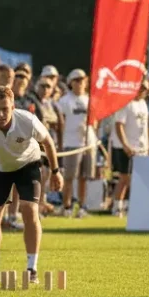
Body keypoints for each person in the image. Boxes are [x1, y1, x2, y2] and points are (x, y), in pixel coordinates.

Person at [0, 86, 63, 284]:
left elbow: (48, 143)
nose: (0, 114)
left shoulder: (27, 120)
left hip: (28, 164)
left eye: (5, 109)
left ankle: (32, 268)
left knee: (29, 210)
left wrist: (55, 171)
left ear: (13, 106)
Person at [55, 69, 95, 218]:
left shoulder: (90, 99)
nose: (80, 83)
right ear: (71, 82)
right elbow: (60, 122)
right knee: (69, 177)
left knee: (84, 177)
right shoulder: (65, 101)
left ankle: (82, 206)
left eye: (82, 80)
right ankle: (67, 206)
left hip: (88, 142)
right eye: (76, 80)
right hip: (71, 142)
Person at [110, 83, 149, 217]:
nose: (143, 91)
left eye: (145, 89)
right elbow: (119, 125)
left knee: (137, 179)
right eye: (141, 88)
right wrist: (126, 145)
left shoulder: (143, 104)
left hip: (141, 148)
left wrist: (148, 144)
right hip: (126, 147)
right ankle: (117, 206)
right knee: (124, 178)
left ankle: (130, 205)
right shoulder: (126, 103)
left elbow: (145, 127)